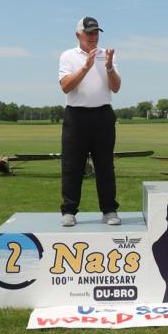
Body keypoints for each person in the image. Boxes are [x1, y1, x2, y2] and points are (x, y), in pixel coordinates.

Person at [58, 16, 121, 227]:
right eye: (89, 33)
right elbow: (66, 86)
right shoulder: (68, 56)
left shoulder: (106, 55)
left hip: (103, 115)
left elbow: (116, 87)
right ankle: (69, 211)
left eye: (96, 33)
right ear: (79, 34)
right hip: (76, 116)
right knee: (72, 166)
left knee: (105, 166)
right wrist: (86, 67)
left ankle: (109, 210)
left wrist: (110, 67)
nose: (94, 37)